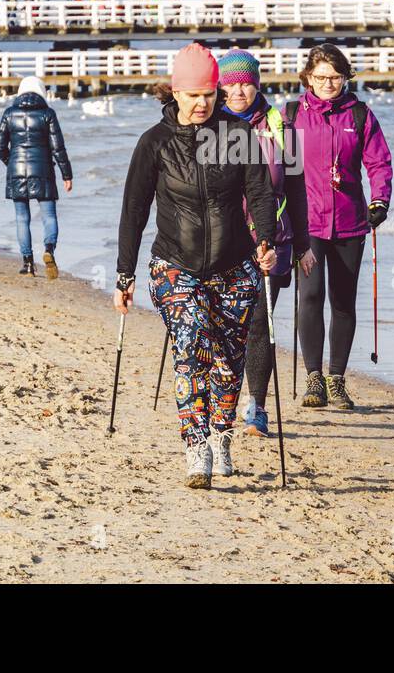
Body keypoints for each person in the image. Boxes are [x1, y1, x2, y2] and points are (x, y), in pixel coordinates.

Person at [115, 43, 277, 488]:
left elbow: (261, 193)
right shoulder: (155, 143)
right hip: (174, 265)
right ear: (175, 93)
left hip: (234, 265)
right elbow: (134, 210)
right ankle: (195, 445)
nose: (203, 103)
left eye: (210, 93)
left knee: (227, 360)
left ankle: (221, 436)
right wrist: (124, 274)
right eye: (194, 95)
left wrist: (267, 239)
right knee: (190, 347)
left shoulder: (238, 135)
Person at [214, 49, 314, 437]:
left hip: (270, 240)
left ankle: (256, 404)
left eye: (247, 83)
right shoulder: (211, 125)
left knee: (260, 322)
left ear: (258, 83)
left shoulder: (281, 126)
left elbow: (297, 188)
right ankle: (223, 395)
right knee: (224, 324)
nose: (239, 91)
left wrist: (304, 244)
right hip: (221, 240)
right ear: (221, 87)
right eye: (231, 84)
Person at [289, 44, 393, 410]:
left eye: (335, 77)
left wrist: (380, 200)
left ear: (346, 77)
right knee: (311, 295)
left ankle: (337, 379)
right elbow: (275, 167)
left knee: (343, 301)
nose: (328, 83)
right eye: (320, 77)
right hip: (307, 224)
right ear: (307, 78)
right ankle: (313, 378)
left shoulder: (361, 115)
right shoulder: (291, 116)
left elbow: (379, 163)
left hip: (351, 221)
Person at [0, 75, 72, 277]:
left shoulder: (10, 113)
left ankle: (28, 263)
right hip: (44, 171)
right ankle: (49, 250)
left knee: (21, 218)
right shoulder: (48, 114)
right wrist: (67, 175)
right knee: (49, 216)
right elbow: (58, 147)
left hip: (16, 172)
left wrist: (10, 162)